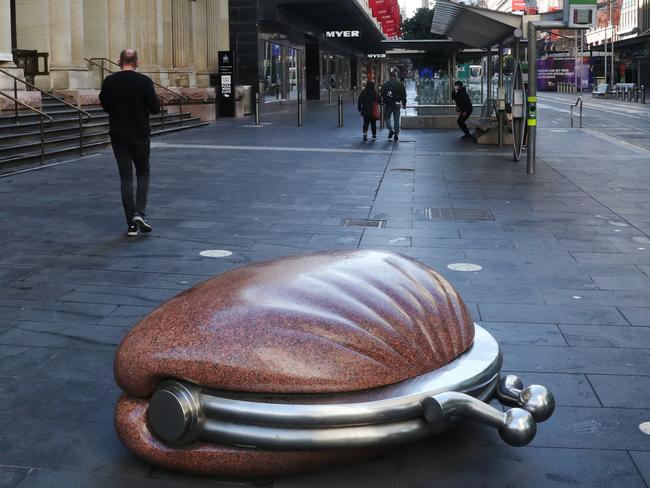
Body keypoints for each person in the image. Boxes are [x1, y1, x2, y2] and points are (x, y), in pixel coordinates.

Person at [99, 48, 161, 236]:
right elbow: (155, 108)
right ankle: (139, 212)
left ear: (119, 62)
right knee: (143, 174)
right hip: (140, 135)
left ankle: (131, 225)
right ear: (137, 62)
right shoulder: (144, 81)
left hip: (119, 135)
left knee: (125, 178)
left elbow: (106, 106)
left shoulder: (109, 81)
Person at [381, 71, 407, 142]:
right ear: (395, 76)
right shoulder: (400, 84)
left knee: (387, 117)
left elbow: (382, 94)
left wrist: (383, 101)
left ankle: (390, 129)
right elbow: (404, 95)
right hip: (397, 104)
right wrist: (404, 103)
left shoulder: (386, 84)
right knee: (396, 120)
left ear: (390, 76)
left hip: (388, 104)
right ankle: (396, 133)